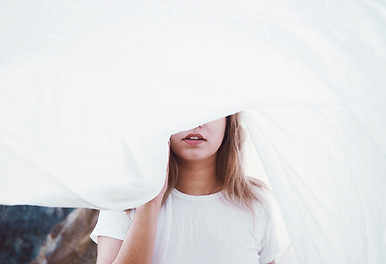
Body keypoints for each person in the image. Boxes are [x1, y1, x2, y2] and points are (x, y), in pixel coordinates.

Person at [90, 113, 279, 264]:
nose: (197, 122)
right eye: (184, 108)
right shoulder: (125, 198)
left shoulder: (255, 202)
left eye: (210, 109)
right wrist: (149, 204)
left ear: (229, 120)